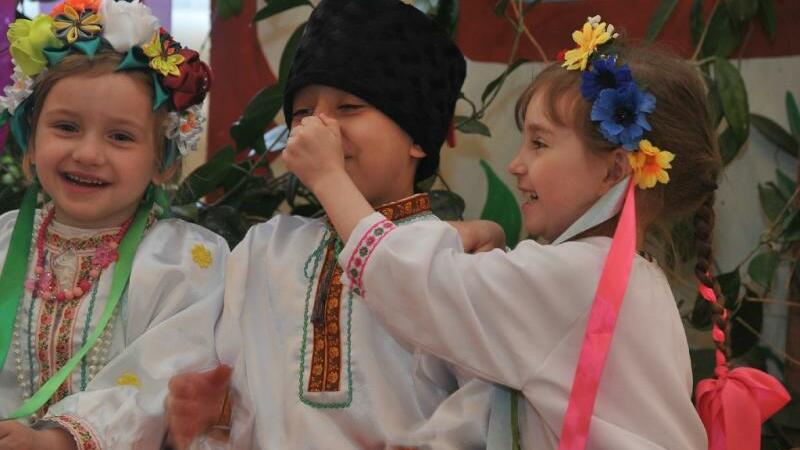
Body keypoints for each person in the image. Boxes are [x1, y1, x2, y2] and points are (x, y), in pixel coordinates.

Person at [284, 15, 791, 450]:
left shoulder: (577, 276)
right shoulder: (616, 278)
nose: (517, 164)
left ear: (615, 171)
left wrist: (329, 178)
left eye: (540, 143)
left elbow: (416, 284)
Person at [166, 0, 491, 449]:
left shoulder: (449, 253)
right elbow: (243, 392)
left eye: (349, 106)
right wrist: (217, 413)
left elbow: (481, 408)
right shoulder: (266, 247)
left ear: (417, 136)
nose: (319, 126)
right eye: (302, 112)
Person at [0, 1, 226, 448]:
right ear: (31, 140)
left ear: (162, 162)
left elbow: (164, 379)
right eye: (66, 127)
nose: (87, 153)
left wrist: (59, 440)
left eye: (120, 136)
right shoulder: (5, 241)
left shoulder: (182, 262)